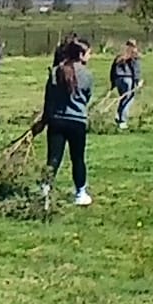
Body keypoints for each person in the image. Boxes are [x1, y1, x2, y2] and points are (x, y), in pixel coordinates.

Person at [40, 37, 93, 206]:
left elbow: (49, 98)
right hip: (77, 121)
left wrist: (44, 120)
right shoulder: (87, 74)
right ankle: (80, 193)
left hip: (56, 120)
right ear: (81, 54)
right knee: (78, 158)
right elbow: (87, 97)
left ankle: (45, 190)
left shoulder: (56, 71)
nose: (90, 56)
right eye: (88, 53)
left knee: (53, 158)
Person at [110, 39, 143, 128]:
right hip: (127, 78)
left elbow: (113, 68)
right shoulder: (133, 54)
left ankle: (118, 116)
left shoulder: (120, 54)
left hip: (118, 78)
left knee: (123, 97)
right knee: (129, 98)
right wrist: (137, 80)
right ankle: (122, 120)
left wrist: (113, 82)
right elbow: (135, 68)